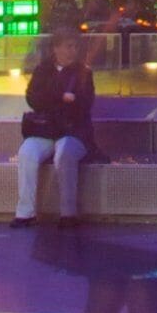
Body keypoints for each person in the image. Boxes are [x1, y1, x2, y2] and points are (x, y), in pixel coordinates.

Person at [16, 33, 99, 227]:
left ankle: (68, 213)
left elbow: (84, 103)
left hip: (73, 130)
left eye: (74, 47)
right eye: (68, 46)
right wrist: (61, 98)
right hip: (47, 130)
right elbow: (33, 99)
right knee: (26, 153)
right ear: (56, 48)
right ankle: (24, 212)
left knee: (64, 154)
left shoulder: (83, 72)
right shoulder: (42, 70)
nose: (73, 51)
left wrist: (53, 101)